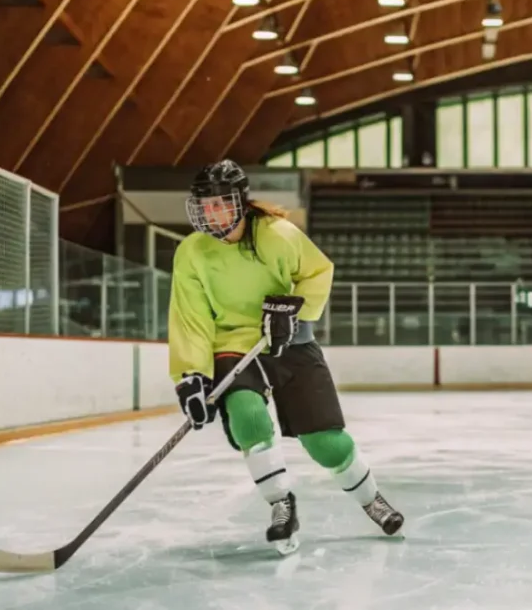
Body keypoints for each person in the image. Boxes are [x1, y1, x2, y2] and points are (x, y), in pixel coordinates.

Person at [168, 159, 404, 555]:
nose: (212, 213)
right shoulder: (191, 252)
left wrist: (293, 312)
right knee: (248, 416)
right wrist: (191, 375)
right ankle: (281, 504)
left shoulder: (278, 234)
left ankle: (371, 500)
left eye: (220, 204)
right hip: (233, 344)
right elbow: (190, 317)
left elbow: (317, 272)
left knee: (326, 442)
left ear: (240, 202)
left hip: (288, 341)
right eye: (205, 206)